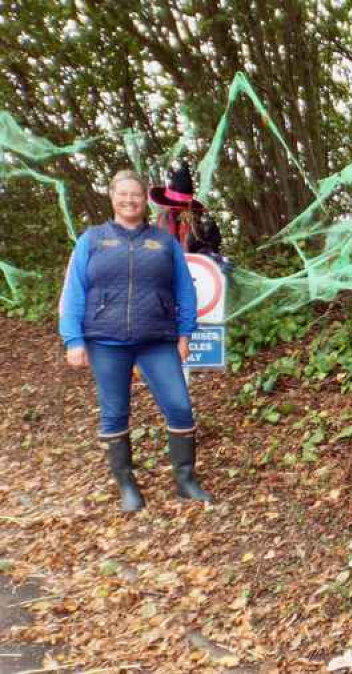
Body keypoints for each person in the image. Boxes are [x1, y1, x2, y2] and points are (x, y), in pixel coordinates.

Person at [59, 169, 213, 512]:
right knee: (114, 412)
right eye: (123, 194)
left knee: (179, 407)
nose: (129, 200)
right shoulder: (92, 239)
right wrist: (73, 339)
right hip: (106, 341)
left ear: (145, 200)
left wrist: (185, 333)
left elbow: (184, 290)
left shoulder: (164, 242)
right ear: (112, 196)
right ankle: (126, 484)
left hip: (157, 339)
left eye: (136, 195)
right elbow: (74, 291)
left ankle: (186, 481)